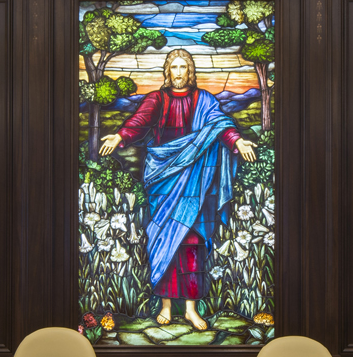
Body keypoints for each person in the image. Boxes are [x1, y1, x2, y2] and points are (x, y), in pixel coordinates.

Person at [98, 48, 257, 329]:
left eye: (184, 67)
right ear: (167, 71)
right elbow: (138, 123)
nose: (179, 72)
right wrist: (120, 135)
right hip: (164, 178)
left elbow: (221, 125)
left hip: (196, 181)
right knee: (164, 239)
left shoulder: (204, 100)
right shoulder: (156, 99)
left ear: (190, 71)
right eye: (174, 67)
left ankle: (191, 309)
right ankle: (166, 305)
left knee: (193, 242)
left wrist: (237, 141)